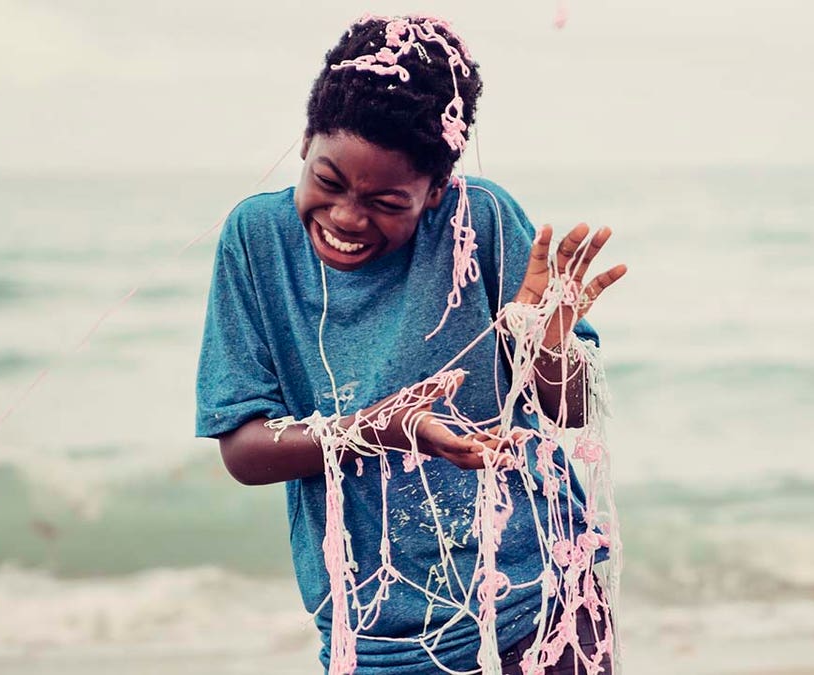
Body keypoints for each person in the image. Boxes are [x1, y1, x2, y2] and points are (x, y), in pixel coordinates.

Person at [195, 13, 626, 675]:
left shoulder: (477, 219)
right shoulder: (257, 242)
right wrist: (380, 429)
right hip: (375, 637)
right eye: (328, 180)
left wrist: (545, 343)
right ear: (305, 140)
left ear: (435, 192)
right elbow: (244, 450)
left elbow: (568, 409)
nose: (345, 217)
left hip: (540, 608)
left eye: (387, 200)